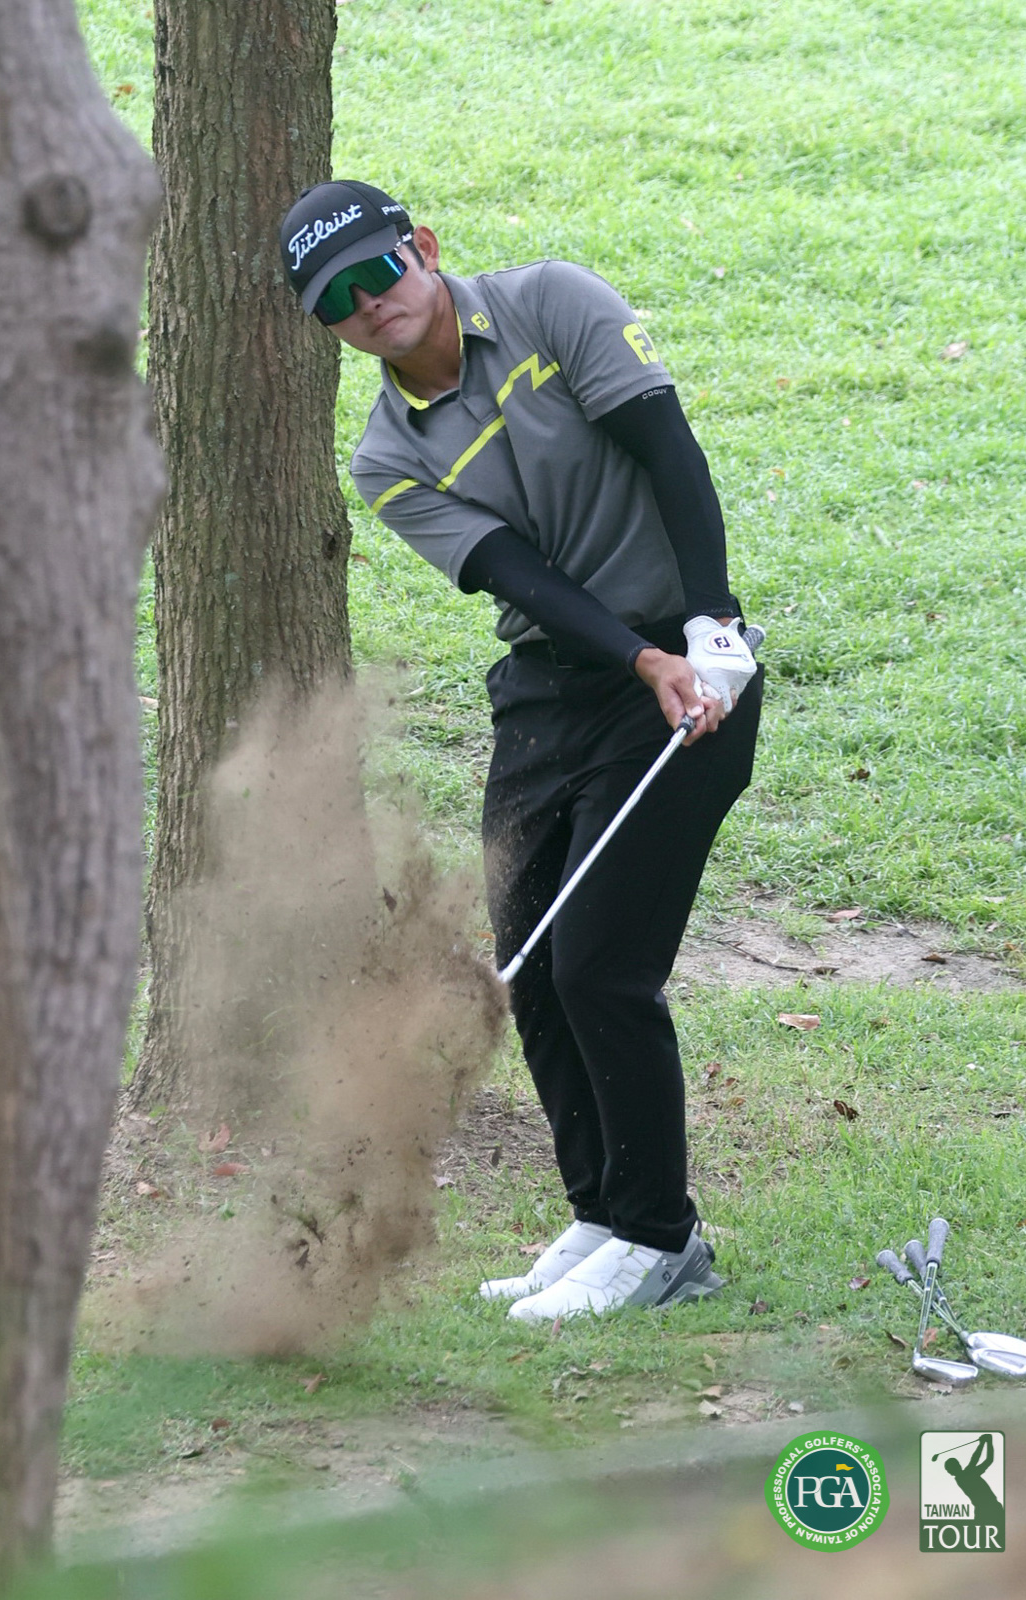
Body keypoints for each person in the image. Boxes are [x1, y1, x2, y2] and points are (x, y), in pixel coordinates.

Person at [279, 180, 762, 1321]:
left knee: (599, 966)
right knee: (530, 966)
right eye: (336, 302)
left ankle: (662, 1242)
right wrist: (635, 660)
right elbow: (519, 577)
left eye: (377, 272)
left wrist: (704, 626)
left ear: (421, 247)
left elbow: (668, 451)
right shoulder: (386, 460)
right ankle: (601, 1213)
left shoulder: (552, 304)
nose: (368, 305)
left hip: (692, 669)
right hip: (554, 688)